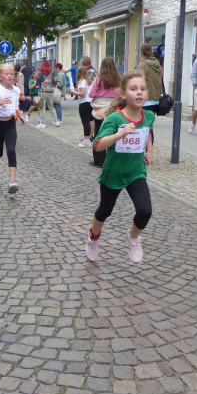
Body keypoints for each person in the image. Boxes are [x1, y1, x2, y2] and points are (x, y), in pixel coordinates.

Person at [85, 72, 154, 264]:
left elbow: (148, 132)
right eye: (134, 89)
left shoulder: (149, 116)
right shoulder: (114, 119)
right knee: (104, 211)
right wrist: (120, 134)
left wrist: (149, 151)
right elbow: (98, 145)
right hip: (113, 173)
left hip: (136, 172)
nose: (139, 92)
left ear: (147, 94)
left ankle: (133, 238)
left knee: (145, 211)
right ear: (123, 94)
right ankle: (93, 238)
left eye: (142, 89)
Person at [0, 64, 26, 194]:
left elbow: (15, 106)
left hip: (10, 124)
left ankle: (12, 182)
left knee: (11, 150)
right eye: (6, 74)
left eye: (11, 74)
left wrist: (20, 115)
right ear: (0, 77)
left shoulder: (16, 90)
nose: (9, 76)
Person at [89, 57, 122, 167]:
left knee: (99, 134)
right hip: (113, 108)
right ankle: (112, 160)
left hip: (100, 109)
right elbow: (121, 93)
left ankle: (99, 161)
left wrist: (101, 94)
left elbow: (91, 94)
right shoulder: (119, 78)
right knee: (113, 133)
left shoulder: (99, 79)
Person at [137, 43, 164, 116]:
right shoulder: (157, 64)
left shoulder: (143, 65)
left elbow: (140, 81)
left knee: (143, 121)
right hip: (156, 99)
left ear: (141, 52)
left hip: (146, 99)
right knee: (150, 120)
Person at [70, 66, 93, 147]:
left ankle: (86, 140)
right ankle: (90, 138)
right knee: (90, 121)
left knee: (85, 122)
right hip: (90, 102)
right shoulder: (89, 81)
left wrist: (73, 92)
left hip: (84, 103)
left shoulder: (82, 81)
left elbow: (82, 94)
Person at [37, 61, 60, 128]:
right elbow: (55, 83)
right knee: (51, 107)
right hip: (50, 92)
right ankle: (56, 121)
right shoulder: (52, 73)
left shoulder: (40, 74)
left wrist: (41, 85)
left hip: (43, 92)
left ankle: (43, 123)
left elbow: (37, 85)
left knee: (42, 108)